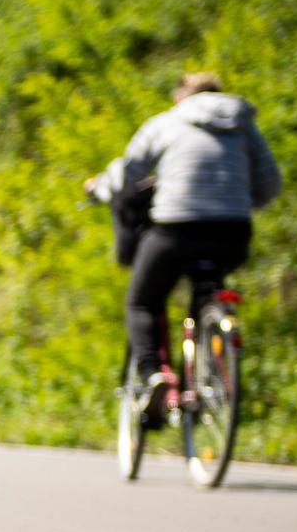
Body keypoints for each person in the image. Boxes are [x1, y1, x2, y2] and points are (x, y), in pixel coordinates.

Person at [85, 73, 281, 416]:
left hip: (176, 231)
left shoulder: (166, 123)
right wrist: (240, 202)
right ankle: (211, 344)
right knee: (208, 286)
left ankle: (154, 374)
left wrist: (98, 189)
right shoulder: (244, 127)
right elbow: (269, 183)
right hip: (234, 234)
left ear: (181, 98)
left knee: (143, 301)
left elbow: (129, 174)